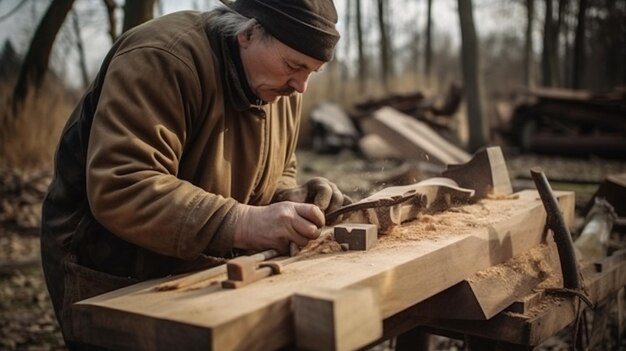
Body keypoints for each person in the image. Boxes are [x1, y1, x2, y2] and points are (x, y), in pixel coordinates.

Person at [40, 0, 348, 347]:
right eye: (295, 66)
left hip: (199, 260)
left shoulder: (281, 82)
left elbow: (277, 168)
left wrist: (286, 198)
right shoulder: (162, 58)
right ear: (248, 33)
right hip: (113, 265)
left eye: (312, 71)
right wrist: (245, 223)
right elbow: (122, 185)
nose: (302, 86)